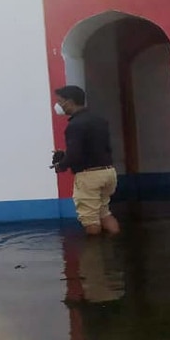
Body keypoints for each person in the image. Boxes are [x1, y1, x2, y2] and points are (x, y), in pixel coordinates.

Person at [51, 85, 120, 235]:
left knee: (90, 219)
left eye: (60, 101)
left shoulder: (75, 125)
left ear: (69, 102)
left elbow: (74, 154)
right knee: (104, 212)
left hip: (89, 176)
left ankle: (94, 249)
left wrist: (61, 165)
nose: (58, 105)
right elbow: (95, 147)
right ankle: (115, 243)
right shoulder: (99, 120)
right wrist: (66, 154)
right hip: (108, 173)